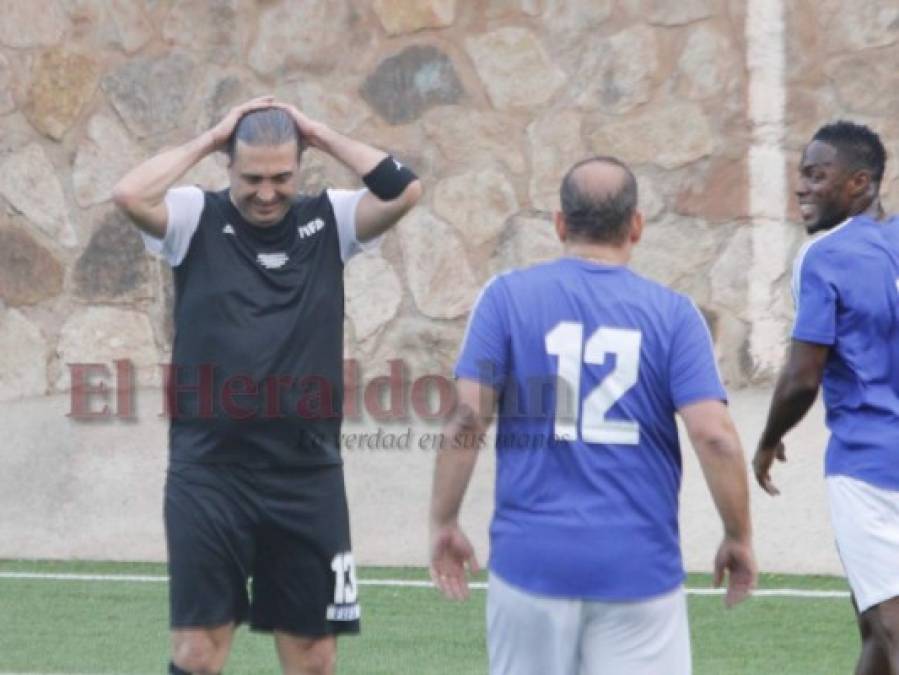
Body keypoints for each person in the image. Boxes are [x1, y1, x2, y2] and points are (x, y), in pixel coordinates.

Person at [113, 96, 422, 675]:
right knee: (198, 654)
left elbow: (404, 191)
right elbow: (130, 194)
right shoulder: (191, 218)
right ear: (228, 167)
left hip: (307, 478)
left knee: (314, 659)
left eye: (282, 176)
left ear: (301, 166)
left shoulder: (331, 220)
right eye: (251, 176)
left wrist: (321, 133)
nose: (266, 192)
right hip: (209, 474)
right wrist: (209, 137)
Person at [429, 156, 756, 675]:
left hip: (530, 563)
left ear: (560, 224)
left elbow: (468, 422)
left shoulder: (504, 299)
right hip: (637, 567)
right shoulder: (675, 316)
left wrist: (444, 521)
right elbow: (716, 437)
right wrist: (738, 536)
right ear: (637, 226)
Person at [754, 120, 899, 675]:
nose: (801, 187)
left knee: (890, 622)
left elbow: (802, 377)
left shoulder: (825, 256)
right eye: (801, 175)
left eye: (817, 176)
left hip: (870, 467)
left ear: (860, 184)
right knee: (874, 625)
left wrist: (769, 440)